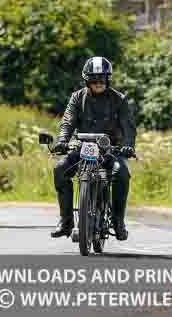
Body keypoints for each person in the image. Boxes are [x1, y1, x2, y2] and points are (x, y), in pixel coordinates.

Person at [51, 57, 137, 240]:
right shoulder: (77, 97)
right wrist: (62, 140)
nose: (98, 83)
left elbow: (128, 125)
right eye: (93, 79)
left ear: (108, 79)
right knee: (60, 169)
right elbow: (68, 121)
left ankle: (117, 221)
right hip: (82, 147)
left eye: (102, 79)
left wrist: (128, 145)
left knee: (122, 173)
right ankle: (66, 222)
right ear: (86, 80)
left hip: (110, 150)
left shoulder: (119, 99)